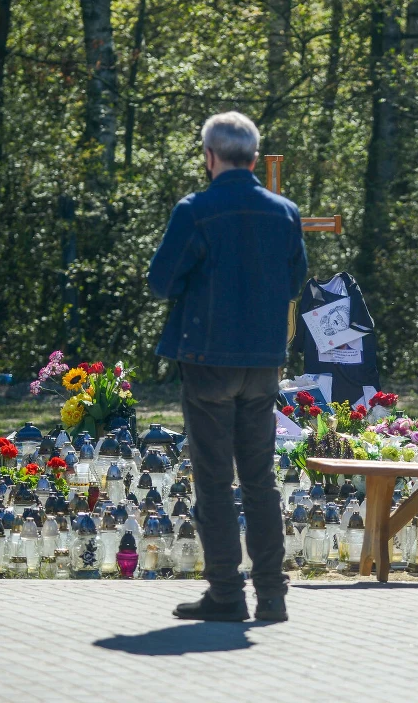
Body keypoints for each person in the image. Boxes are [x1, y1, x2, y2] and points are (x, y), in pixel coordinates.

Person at [148, 111, 308, 622]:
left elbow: (162, 281)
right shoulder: (284, 212)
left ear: (209, 156)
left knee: (214, 481)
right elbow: (294, 282)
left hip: (208, 360)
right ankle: (273, 597)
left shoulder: (196, 210)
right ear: (255, 159)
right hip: (262, 361)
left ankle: (225, 594)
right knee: (260, 479)